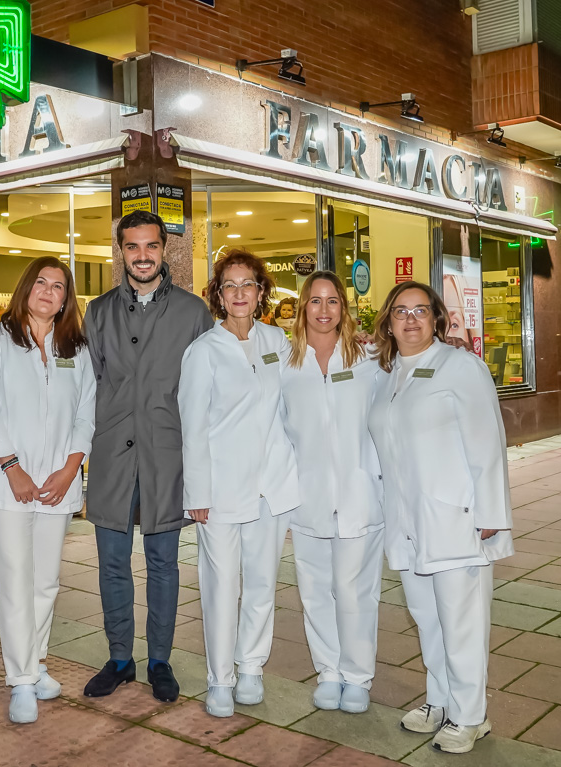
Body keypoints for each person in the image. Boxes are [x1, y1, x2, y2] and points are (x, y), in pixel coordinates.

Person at [367, 280, 514, 754]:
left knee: (461, 621)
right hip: (407, 522)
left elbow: (488, 442)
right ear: (388, 323)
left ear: (437, 318)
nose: (410, 320)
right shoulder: (389, 373)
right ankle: (440, 700)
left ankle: (470, 715)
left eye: (420, 311)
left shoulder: (461, 366)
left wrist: (491, 512)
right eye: (400, 312)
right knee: (428, 619)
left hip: (455, 518)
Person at [81, 210, 213, 703]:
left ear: (164, 249)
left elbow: (207, 391)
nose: (142, 255)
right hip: (113, 456)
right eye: (132, 246)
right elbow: (89, 384)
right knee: (112, 564)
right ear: (121, 251)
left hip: (167, 457)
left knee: (163, 564)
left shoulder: (194, 313)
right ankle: (120, 659)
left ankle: (160, 660)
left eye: (151, 246)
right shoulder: (98, 312)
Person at [0, 257, 95, 724]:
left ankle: (36, 661)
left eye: (58, 286)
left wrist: (70, 469)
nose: (48, 291)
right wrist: (11, 466)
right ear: (26, 288)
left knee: (46, 581)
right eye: (40, 282)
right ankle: (21, 679)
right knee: (15, 580)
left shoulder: (75, 347)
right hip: (8, 483)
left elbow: (86, 412)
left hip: (57, 483)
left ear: (66, 299)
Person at [179, 250, 299, 718]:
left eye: (247, 283)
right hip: (221, 490)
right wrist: (197, 493)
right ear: (218, 295)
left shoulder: (278, 341)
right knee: (221, 585)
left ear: (261, 290)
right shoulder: (203, 351)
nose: (239, 293)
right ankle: (220, 678)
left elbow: (310, 381)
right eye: (229, 285)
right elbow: (192, 427)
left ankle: (251, 666)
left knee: (263, 582)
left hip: (271, 486)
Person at [279, 271, 383, 714]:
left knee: (355, 590)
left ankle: (357, 676)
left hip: (360, 496)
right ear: (303, 307)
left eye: (332, 301)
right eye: (315, 301)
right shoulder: (285, 363)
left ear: (344, 307)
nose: (324, 310)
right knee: (316, 590)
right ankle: (329, 672)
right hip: (307, 498)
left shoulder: (370, 357)